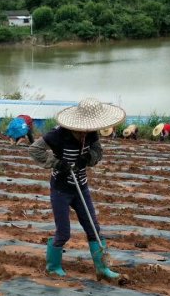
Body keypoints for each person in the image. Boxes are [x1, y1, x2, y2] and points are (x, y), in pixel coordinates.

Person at [29, 97, 125, 282]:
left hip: (81, 186)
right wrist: (57, 163)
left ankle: (102, 269)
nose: (86, 133)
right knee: (64, 232)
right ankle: (53, 266)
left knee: (93, 229)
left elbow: (98, 152)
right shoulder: (58, 135)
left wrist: (88, 158)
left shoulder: (91, 133)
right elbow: (34, 150)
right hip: (61, 190)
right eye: (83, 129)